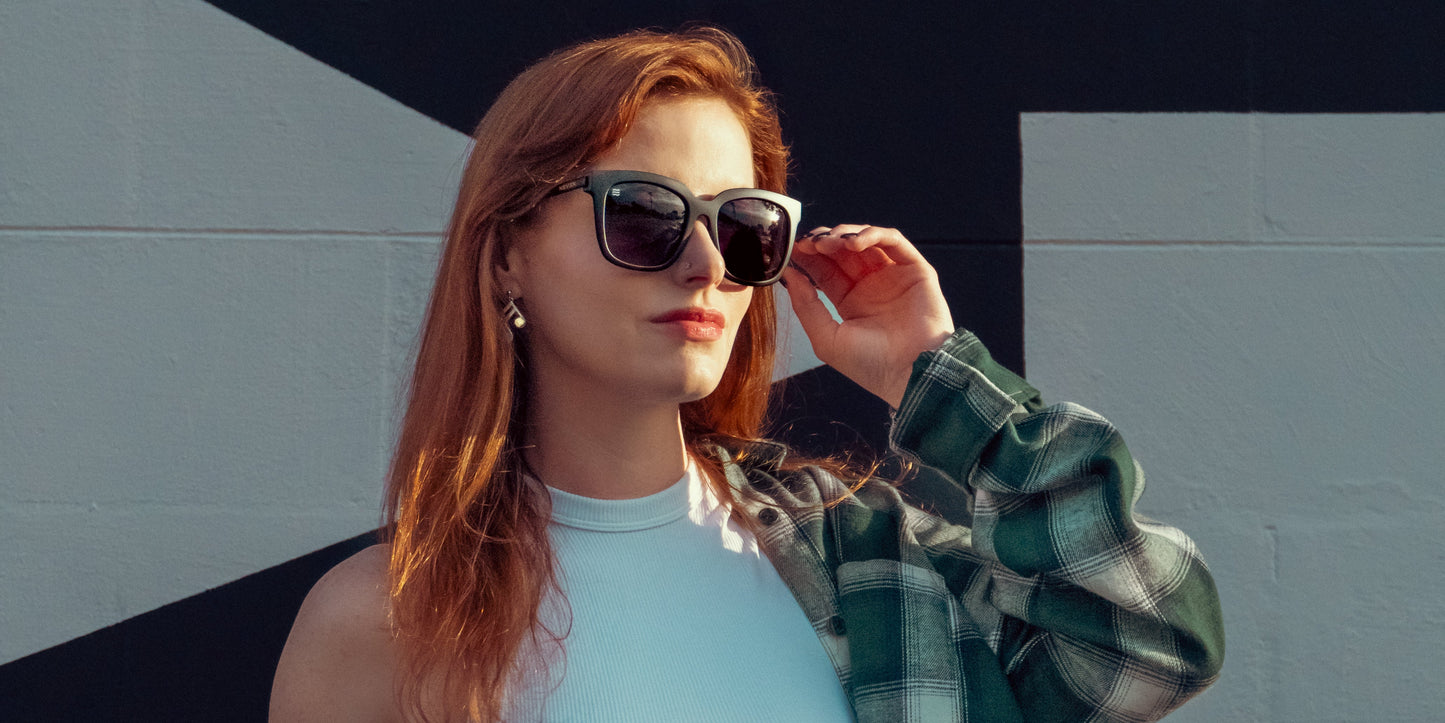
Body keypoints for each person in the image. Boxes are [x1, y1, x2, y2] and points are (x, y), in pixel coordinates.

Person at [269, 27, 1224, 723]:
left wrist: (945, 389)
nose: (707, 264)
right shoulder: (384, 623)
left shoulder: (870, 563)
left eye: (742, 225)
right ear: (508, 253)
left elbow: (1153, 637)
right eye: (643, 214)